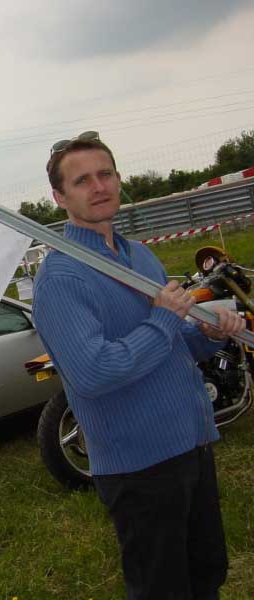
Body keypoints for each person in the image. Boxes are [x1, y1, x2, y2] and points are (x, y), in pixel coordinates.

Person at [31, 132, 247, 600]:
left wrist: (205, 336)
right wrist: (165, 319)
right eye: (82, 180)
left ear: (118, 178)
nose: (98, 186)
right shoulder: (62, 277)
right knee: (162, 589)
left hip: (192, 442)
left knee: (207, 573)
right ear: (60, 197)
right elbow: (94, 373)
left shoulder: (139, 256)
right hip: (141, 466)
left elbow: (168, 344)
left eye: (105, 174)